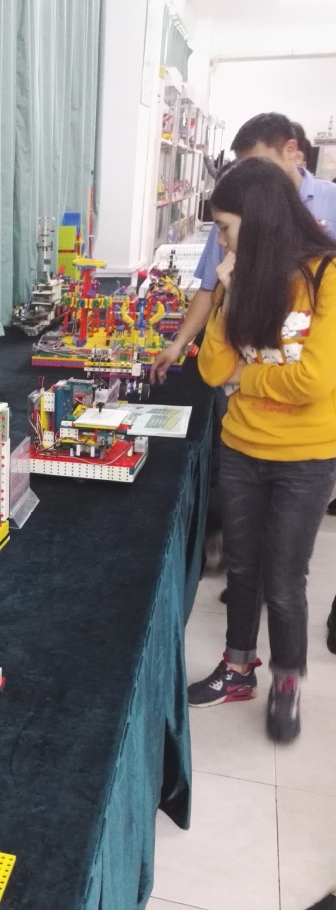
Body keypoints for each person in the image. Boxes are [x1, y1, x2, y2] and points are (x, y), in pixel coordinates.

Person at [187, 158, 336, 743]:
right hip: (241, 447)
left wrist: (246, 378)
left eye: (226, 228)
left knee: (284, 578)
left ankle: (287, 681)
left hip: (306, 457)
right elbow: (212, 368)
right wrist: (228, 294)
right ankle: (237, 668)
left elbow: (313, 381)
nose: (222, 242)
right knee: (243, 569)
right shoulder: (246, 278)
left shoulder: (325, 276)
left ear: (260, 219)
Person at [151, 114, 336, 385]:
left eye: (258, 164)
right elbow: (210, 289)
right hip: (248, 362)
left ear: (291, 151)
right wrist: (180, 342)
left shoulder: (326, 261)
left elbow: (312, 381)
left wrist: (242, 375)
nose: (250, 176)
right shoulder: (232, 218)